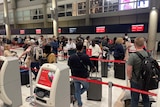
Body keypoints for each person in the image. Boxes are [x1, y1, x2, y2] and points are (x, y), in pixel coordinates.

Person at [68, 41, 95, 107]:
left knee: (77, 90)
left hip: (75, 76)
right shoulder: (85, 56)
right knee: (86, 87)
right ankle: (77, 99)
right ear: (82, 48)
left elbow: (69, 65)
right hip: (83, 76)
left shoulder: (71, 57)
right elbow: (91, 65)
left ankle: (79, 102)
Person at [127, 37, 150, 107]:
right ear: (143, 44)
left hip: (135, 80)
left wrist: (129, 78)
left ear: (135, 44)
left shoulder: (133, 56)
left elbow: (129, 69)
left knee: (134, 99)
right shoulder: (148, 54)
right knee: (146, 98)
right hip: (146, 80)